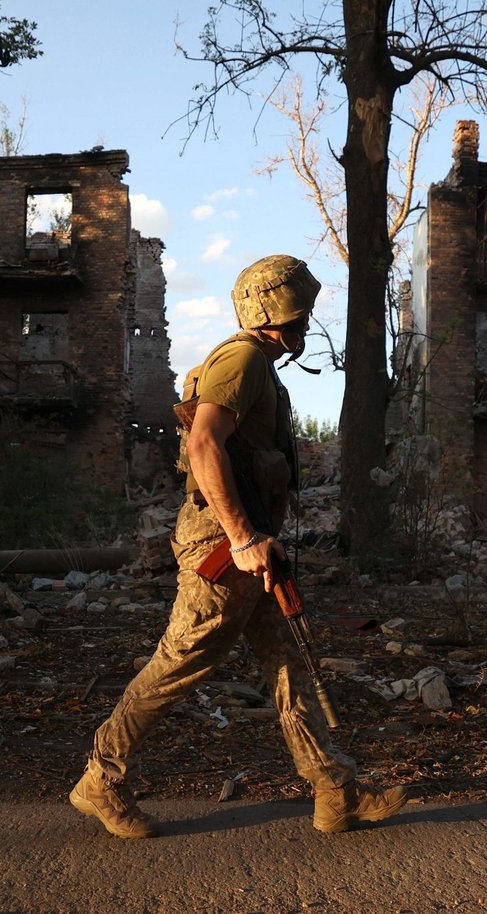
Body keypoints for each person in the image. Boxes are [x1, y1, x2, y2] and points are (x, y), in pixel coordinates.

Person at [69, 254, 407, 838]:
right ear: (270, 312)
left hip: (253, 546)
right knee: (180, 664)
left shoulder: (260, 365)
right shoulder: (244, 358)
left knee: (289, 662)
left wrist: (258, 538)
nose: (303, 325)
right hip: (224, 550)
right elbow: (204, 444)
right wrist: (244, 536)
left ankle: (336, 791)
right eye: (297, 313)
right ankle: (100, 779)